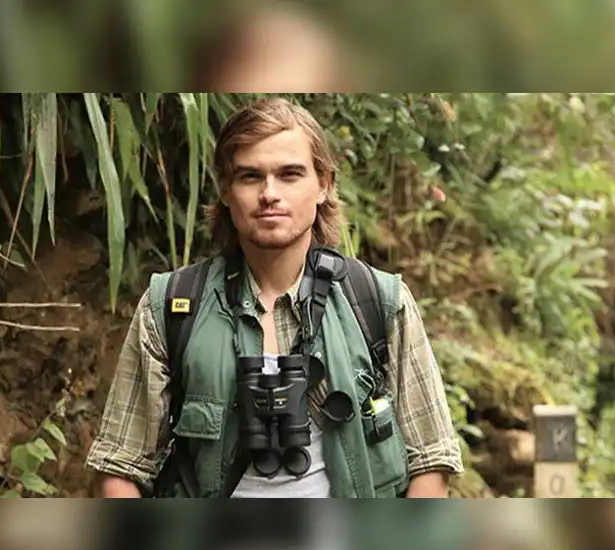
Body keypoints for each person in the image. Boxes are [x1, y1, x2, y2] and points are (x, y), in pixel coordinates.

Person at [85, 97, 463, 499]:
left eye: (290, 174)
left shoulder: (378, 301)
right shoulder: (172, 306)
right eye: (250, 176)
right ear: (226, 190)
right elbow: (120, 468)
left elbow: (430, 461)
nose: (269, 194)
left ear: (324, 185)